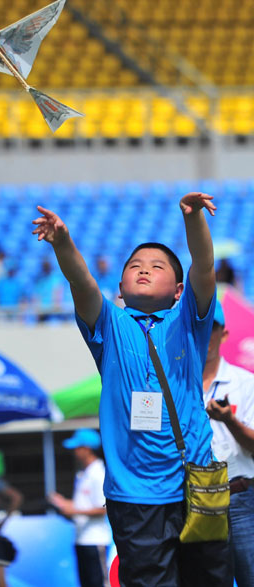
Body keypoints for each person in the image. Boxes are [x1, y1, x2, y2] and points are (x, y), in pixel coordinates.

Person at [32, 192, 234, 586]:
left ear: (178, 289)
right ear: (120, 288)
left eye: (157, 266)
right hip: (135, 497)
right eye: (135, 266)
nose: (144, 269)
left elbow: (205, 267)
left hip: (196, 487)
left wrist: (192, 219)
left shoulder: (189, 320)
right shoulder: (108, 324)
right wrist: (62, 242)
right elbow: (81, 281)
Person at [203, 300, 254, 587]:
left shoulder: (245, 383)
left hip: (239, 498)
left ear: (224, 333)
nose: (205, 335)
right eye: (200, 328)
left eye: (213, 328)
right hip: (192, 499)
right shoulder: (175, 385)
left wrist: (230, 421)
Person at [48, 428, 111, 587]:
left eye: (77, 447)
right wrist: (62, 503)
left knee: (99, 583)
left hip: (96, 540)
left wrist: (72, 510)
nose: (74, 451)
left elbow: (103, 508)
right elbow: (83, 505)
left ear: (87, 449)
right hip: (81, 539)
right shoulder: (84, 473)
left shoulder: (98, 473)